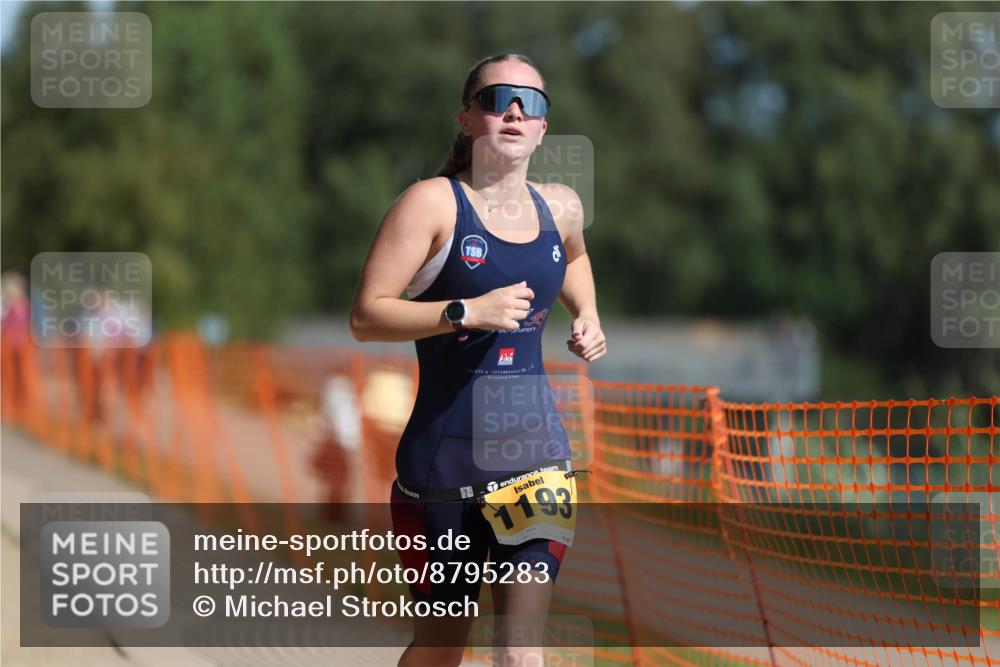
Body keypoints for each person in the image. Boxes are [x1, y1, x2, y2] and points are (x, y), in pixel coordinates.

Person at [350, 53, 607, 667]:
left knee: (520, 651)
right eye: (497, 100)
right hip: (442, 467)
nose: (515, 112)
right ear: (467, 119)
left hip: (535, 460)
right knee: (443, 646)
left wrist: (588, 314)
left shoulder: (562, 207)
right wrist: (465, 311)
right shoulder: (432, 204)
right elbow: (366, 315)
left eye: (532, 103)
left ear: (545, 127)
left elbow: (571, 258)